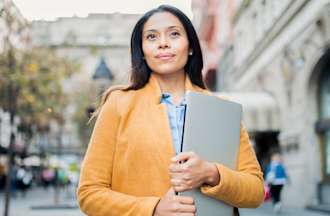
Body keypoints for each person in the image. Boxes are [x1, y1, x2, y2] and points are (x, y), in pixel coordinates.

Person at [77, 5, 264, 216]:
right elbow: (89, 193)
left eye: (174, 34)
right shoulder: (119, 104)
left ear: (191, 46)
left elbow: (255, 191)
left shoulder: (220, 108)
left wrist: (212, 173)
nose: (163, 43)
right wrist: (153, 209)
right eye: (151, 37)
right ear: (143, 51)